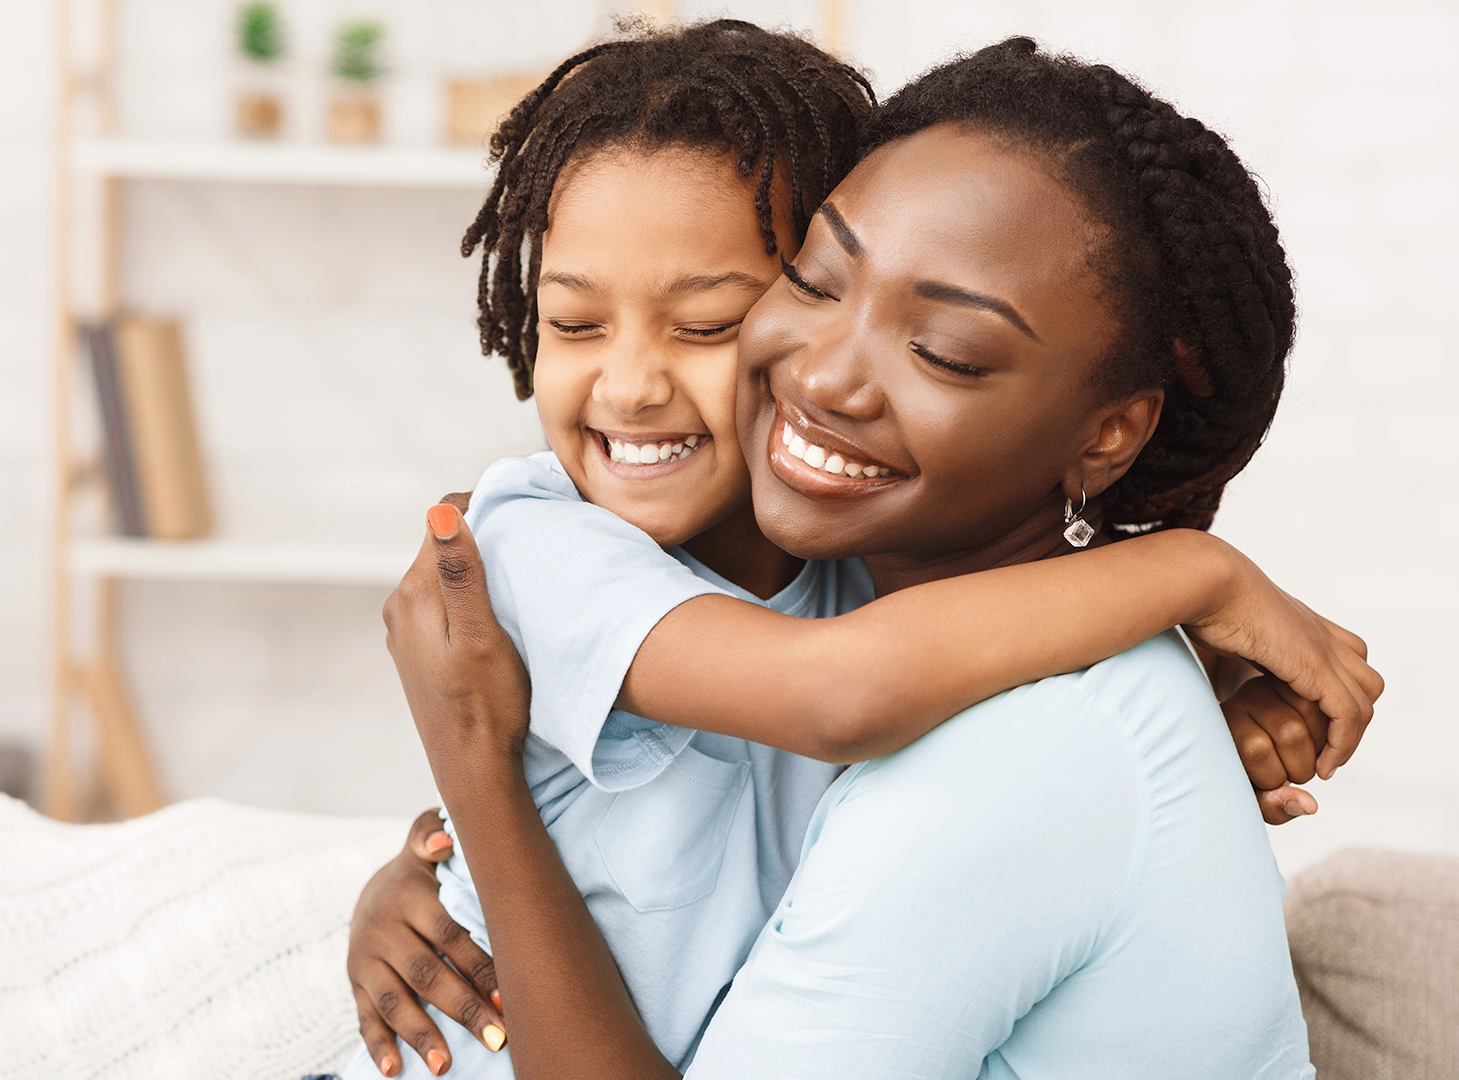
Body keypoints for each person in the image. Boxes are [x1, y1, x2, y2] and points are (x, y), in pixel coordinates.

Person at [336, 25, 1376, 1080]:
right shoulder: (537, 541)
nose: (634, 383)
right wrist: (1197, 577)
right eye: (823, 284)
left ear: (1110, 434)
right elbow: (838, 700)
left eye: (707, 323)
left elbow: (895, 682)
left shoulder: (886, 608)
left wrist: (1208, 675)